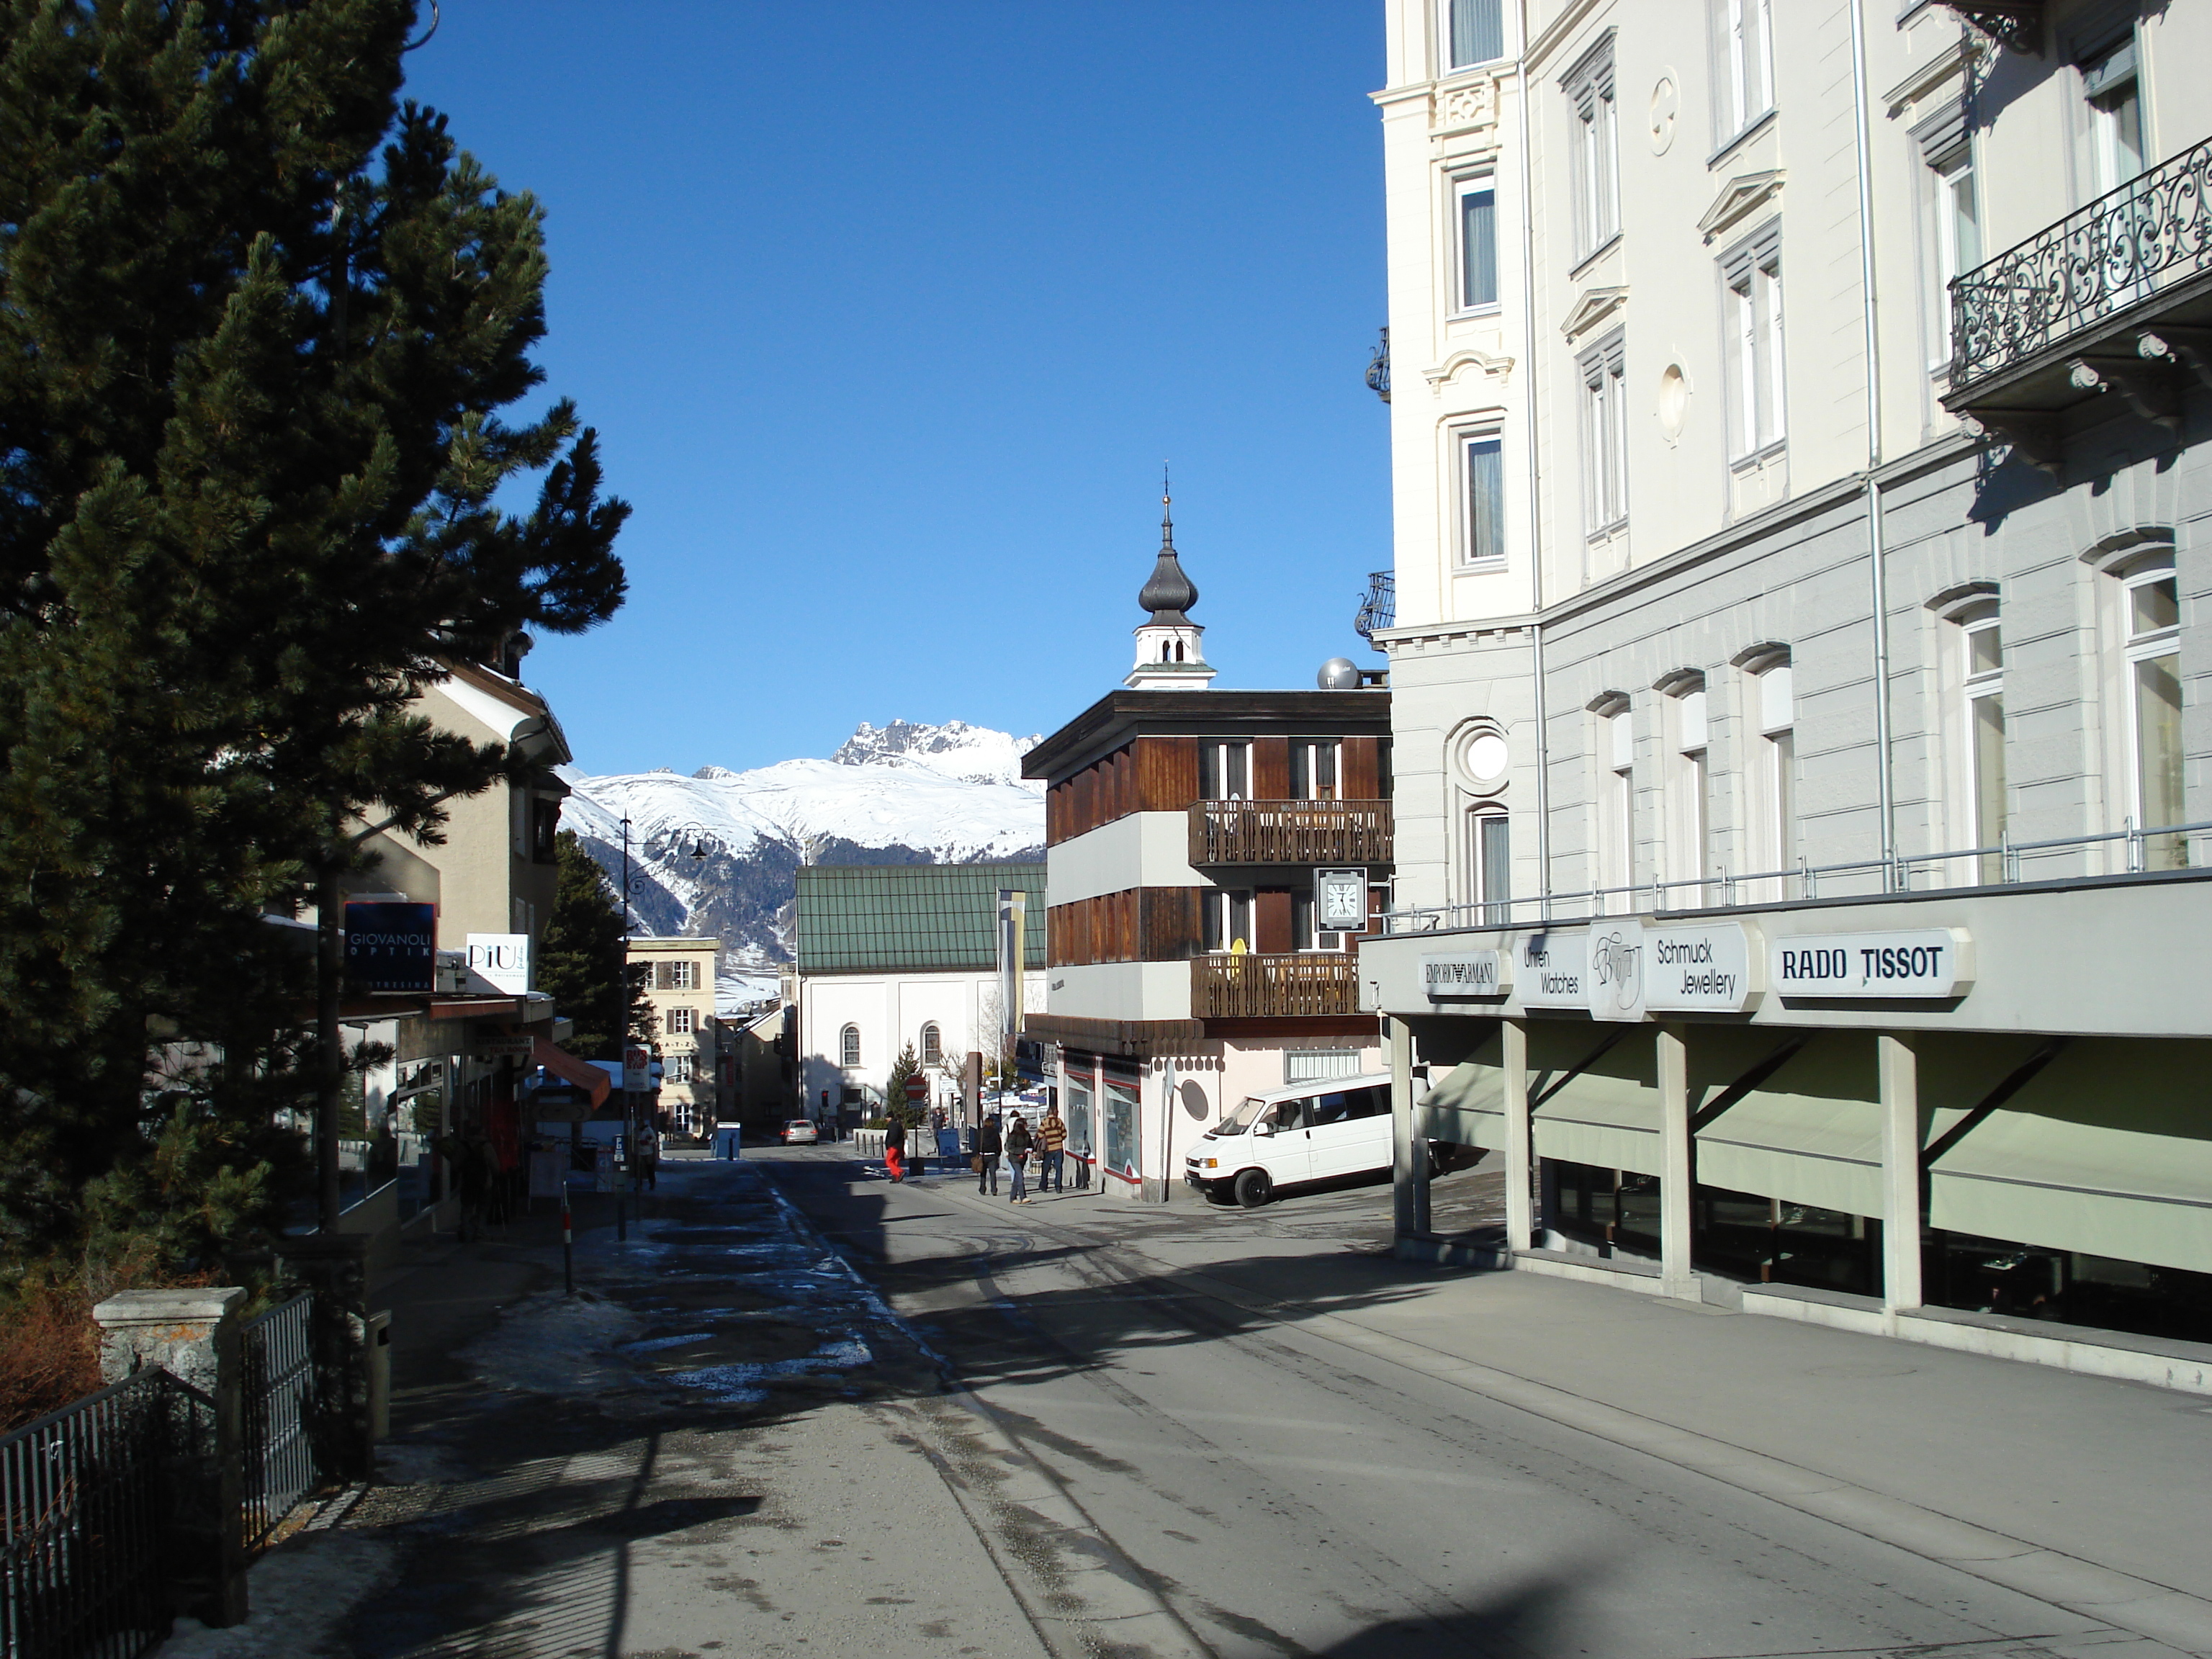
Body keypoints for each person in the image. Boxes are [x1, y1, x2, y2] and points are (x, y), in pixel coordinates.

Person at [1036, 1103, 1066, 1193]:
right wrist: (1058, 1139)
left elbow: (1040, 1134)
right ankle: (1058, 1187)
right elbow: (1064, 1134)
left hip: (1048, 1148)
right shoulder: (1059, 1122)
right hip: (1058, 1147)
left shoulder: (1045, 1122)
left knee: (1046, 1167)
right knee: (1059, 1168)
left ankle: (1044, 1186)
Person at [1005, 1111, 1032, 1204]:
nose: (1027, 1125)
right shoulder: (1013, 1135)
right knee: (1020, 1176)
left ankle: (1012, 1197)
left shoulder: (1026, 1135)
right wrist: (1021, 1151)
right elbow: (1009, 1147)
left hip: (1023, 1158)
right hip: (1014, 1158)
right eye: (1025, 1124)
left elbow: (1030, 1145)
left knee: (1017, 1177)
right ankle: (1023, 1196)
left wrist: (1031, 1149)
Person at [975, 1110, 1002, 1196]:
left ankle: (982, 1188)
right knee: (993, 1173)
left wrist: (977, 1153)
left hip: (983, 1155)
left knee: (983, 1173)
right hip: (993, 1155)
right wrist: (998, 1153)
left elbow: (977, 1144)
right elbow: (999, 1143)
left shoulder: (981, 1132)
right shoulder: (995, 1132)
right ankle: (994, 1189)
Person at [634, 1121, 660, 1191]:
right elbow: (634, 1139)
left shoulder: (649, 1130)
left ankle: (652, 1183)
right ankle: (639, 1185)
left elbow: (654, 1139)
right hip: (639, 1151)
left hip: (648, 1152)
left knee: (649, 1168)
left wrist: (648, 1142)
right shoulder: (636, 1130)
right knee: (638, 1169)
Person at [884, 1116, 905, 1183]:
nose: (886, 1119)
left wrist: (890, 1144)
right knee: (895, 1162)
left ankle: (899, 1171)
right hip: (899, 1146)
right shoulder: (899, 1125)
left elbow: (893, 1136)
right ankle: (896, 1177)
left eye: (887, 1118)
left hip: (894, 1146)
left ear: (890, 1118)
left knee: (889, 1161)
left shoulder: (892, 1125)